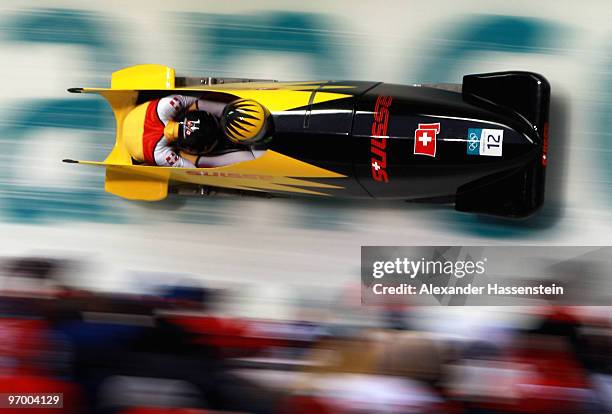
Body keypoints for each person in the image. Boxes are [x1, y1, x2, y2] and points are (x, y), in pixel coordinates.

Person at [123, 94, 270, 168]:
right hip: (135, 147)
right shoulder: (161, 154)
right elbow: (193, 170)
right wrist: (196, 160)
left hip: (138, 116)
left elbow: (194, 103)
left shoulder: (169, 105)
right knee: (201, 162)